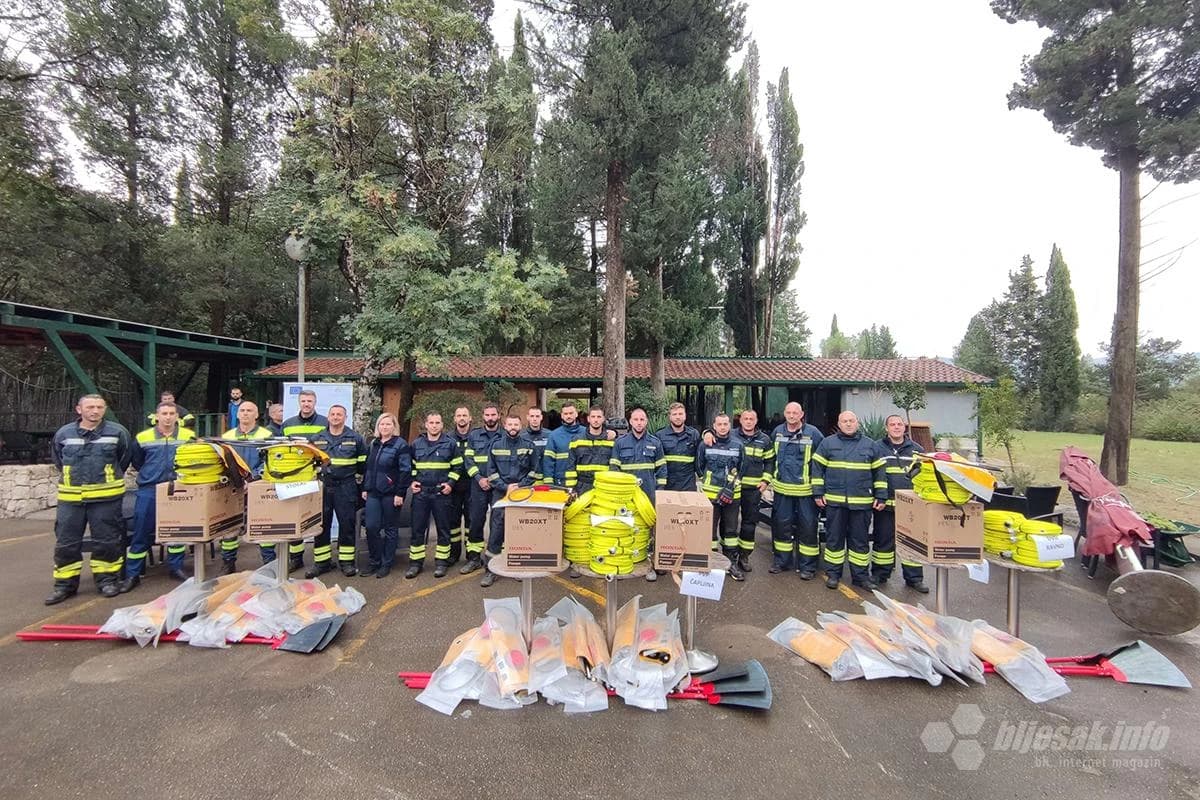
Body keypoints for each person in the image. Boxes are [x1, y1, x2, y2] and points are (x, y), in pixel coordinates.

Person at [45, 394, 132, 605]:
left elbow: (123, 459)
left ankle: (107, 581)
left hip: (106, 499)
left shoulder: (118, 432)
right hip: (71, 500)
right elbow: (58, 460)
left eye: (99, 407)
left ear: (105, 409)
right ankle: (64, 585)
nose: (95, 411)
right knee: (66, 543)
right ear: (79, 409)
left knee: (107, 541)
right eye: (90, 407)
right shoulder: (64, 433)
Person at [120, 401, 197, 592]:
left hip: (178, 488)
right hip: (149, 489)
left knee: (177, 531)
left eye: (171, 413)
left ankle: (176, 567)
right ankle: (133, 574)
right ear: (157, 416)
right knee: (141, 531)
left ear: (177, 417)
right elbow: (137, 461)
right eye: (164, 413)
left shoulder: (189, 436)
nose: (168, 417)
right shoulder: (143, 437)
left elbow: (194, 460)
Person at [812, 411, 888, 590]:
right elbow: (817, 469)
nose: (848, 424)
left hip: (861, 503)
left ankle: (860, 577)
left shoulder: (870, 445)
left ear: (857, 423)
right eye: (844, 421)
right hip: (835, 503)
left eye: (851, 421)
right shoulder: (827, 443)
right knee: (834, 540)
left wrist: (881, 495)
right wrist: (818, 493)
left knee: (860, 541)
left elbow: (879, 473)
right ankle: (833, 574)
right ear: (839, 424)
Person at [308, 405, 367, 578]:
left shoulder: (355, 438)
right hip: (323, 486)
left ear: (345, 417)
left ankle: (346, 562)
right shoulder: (316, 438)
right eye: (332, 414)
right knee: (321, 525)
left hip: (346, 487)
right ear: (328, 417)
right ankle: (322, 563)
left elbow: (363, 464)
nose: (335, 417)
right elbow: (310, 463)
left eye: (339, 414)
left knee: (347, 524)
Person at [874, 414, 929, 593]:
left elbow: (924, 477)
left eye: (899, 424)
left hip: (910, 507)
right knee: (883, 541)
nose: (896, 427)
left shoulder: (917, 450)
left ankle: (914, 579)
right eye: (892, 424)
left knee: (912, 542)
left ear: (904, 428)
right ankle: (880, 574)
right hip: (885, 505)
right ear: (886, 428)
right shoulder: (877, 448)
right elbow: (873, 474)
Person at [610, 407, 667, 582]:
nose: (639, 423)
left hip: (648, 495)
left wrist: (659, 491)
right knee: (625, 528)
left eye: (642, 419)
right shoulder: (620, 443)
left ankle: (650, 565)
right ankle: (624, 563)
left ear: (646, 421)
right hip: (626, 496)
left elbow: (662, 469)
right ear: (630, 421)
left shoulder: (655, 442)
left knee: (649, 531)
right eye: (635, 419)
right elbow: (614, 469)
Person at [479, 414, 535, 588]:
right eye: (510, 424)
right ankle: (490, 570)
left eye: (516, 424)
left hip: (522, 493)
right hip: (501, 493)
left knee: (520, 529)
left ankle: (518, 566)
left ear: (521, 426)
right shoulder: (495, 445)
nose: (513, 427)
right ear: (505, 425)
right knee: (497, 529)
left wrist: (520, 485)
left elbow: (534, 471)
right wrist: (505, 487)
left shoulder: (529, 446)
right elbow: (491, 472)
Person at [770, 402, 824, 578]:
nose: (792, 415)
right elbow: (771, 458)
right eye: (789, 412)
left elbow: (820, 463)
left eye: (795, 413)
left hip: (805, 492)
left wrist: (818, 489)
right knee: (781, 527)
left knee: (808, 529)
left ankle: (808, 567)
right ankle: (781, 562)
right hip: (782, 491)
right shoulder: (777, 432)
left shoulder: (814, 434)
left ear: (802, 414)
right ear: (784, 414)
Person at [220, 401, 273, 574]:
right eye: (242, 410)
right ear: (237, 414)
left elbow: (270, 460)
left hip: (257, 485)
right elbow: (223, 462)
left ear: (256, 415)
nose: (245, 413)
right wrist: (235, 480)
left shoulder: (267, 435)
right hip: (233, 487)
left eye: (249, 410)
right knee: (230, 527)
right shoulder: (227, 436)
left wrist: (253, 479)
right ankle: (228, 562)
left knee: (263, 524)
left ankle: (268, 562)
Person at [277, 389, 328, 569]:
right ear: (299, 402)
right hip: (294, 478)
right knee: (295, 517)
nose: (306, 404)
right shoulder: (288, 424)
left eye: (310, 401)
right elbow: (281, 449)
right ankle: (296, 558)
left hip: (317, 476)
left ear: (315, 403)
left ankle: (321, 560)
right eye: (304, 401)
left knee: (319, 517)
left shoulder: (325, 423)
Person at [408, 411, 460, 579]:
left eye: (437, 423)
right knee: (417, 529)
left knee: (443, 529)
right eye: (431, 423)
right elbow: (411, 466)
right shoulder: (416, 444)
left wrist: (450, 484)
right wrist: (413, 481)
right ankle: (416, 563)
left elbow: (458, 466)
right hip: (421, 493)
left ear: (442, 425)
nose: (434, 426)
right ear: (426, 424)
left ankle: (441, 563)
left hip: (441, 493)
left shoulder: (450, 444)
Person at [695, 412, 745, 581]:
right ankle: (712, 562)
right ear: (714, 426)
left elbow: (742, 470)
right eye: (719, 424)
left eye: (725, 424)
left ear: (729, 425)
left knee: (730, 531)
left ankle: (731, 563)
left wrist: (730, 488)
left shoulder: (738, 445)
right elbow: (699, 467)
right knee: (709, 532)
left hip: (732, 496)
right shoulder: (705, 444)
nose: (723, 427)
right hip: (710, 497)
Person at [361, 413, 412, 578]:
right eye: (382, 424)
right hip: (373, 493)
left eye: (388, 424)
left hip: (391, 494)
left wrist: (400, 493)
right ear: (378, 426)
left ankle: (386, 563)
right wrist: (365, 487)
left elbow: (405, 471)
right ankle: (374, 561)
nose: (385, 427)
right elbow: (368, 468)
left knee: (390, 529)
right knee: (371, 527)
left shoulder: (400, 445)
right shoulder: (373, 444)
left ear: (394, 426)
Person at [730, 408, 775, 575]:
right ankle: (730, 556)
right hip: (733, 488)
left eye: (751, 419)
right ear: (740, 420)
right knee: (730, 524)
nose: (748, 421)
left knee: (749, 525)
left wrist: (765, 481)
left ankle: (744, 556)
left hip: (753, 490)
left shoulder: (765, 440)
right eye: (745, 418)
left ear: (756, 421)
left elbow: (770, 461)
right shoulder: (731, 435)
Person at [461, 403, 502, 574]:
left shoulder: (505, 435)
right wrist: (479, 478)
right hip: (478, 486)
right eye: (487, 415)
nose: (490, 418)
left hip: (498, 487)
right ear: (483, 416)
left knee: (498, 523)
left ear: (498, 416)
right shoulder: (474, 435)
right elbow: (468, 460)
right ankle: (474, 559)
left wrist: (494, 480)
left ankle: (496, 559)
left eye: (493, 415)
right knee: (476, 521)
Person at [565, 405, 613, 494]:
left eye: (599, 417)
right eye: (593, 417)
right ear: (588, 419)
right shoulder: (577, 441)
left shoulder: (611, 441)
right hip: (582, 488)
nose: (596, 420)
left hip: (604, 487)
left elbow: (614, 467)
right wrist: (571, 489)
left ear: (603, 419)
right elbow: (570, 467)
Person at [447, 406, 474, 566]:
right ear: (455, 418)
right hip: (453, 487)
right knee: (453, 522)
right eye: (459, 415)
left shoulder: (476, 437)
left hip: (472, 485)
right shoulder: (447, 438)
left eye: (465, 415)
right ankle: (453, 554)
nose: (462, 418)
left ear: (470, 418)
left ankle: (471, 555)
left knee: (472, 521)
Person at [655, 402, 701, 491]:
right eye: (674, 414)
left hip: (688, 486)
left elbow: (700, 458)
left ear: (685, 416)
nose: (678, 417)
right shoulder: (660, 435)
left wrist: (708, 432)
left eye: (680, 414)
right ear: (670, 417)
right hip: (667, 486)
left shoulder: (694, 434)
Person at [543, 401, 584, 486]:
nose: (568, 416)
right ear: (561, 415)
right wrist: (548, 483)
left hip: (582, 481)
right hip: (561, 481)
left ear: (576, 414)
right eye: (565, 414)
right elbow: (548, 461)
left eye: (571, 413)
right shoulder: (554, 435)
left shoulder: (586, 433)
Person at [524, 407, 549, 484]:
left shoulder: (550, 435)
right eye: (532, 416)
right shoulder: (521, 436)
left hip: (546, 479)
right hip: (526, 480)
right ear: (527, 417)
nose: (535, 419)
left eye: (537, 416)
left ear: (541, 417)